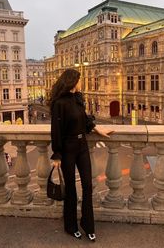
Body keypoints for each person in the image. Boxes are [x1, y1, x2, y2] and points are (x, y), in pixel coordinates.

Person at [50, 69, 113, 242]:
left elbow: (84, 120)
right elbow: (56, 130)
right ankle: (71, 226)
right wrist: (57, 154)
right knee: (70, 188)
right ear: (72, 82)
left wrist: (97, 128)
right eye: (79, 80)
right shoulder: (59, 103)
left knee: (87, 185)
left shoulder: (78, 98)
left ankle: (88, 225)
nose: (81, 82)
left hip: (82, 146)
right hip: (68, 148)